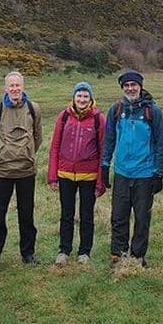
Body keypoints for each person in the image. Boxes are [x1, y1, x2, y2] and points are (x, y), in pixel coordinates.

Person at [101, 69, 163, 268]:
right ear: (122, 88)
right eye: (126, 85)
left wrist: (159, 172)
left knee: (142, 217)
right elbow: (109, 139)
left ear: (140, 86)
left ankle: (138, 256)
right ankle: (118, 254)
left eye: (134, 85)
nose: (130, 88)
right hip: (122, 172)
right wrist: (105, 165)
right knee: (119, 216)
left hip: (145, 174)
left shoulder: (152, 111)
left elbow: (162, 143)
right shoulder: (116, 109)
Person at [0, 71, 43, 275]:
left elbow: (38, 136)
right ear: (6, 88)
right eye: (11, 86)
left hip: (26, 170)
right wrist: (2, 154)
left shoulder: (34, 109)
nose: (15, 89)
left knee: (26, 214)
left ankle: (28, 253)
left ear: (23, 87)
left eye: (18, 85)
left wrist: (27, 154)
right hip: (2, 171)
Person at [47, 81, 106, 266]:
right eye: (79, 95)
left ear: (90, 98)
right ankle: (64, 251)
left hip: (88, 176)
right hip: (64, 174)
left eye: (85, 96)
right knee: (66, 214)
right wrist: (52, 174)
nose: (82, 99)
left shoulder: (98, 119)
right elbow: (55, 145)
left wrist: (101, 180)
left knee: (86, 215)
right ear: (74, 97)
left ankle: (84, 252)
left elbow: (104, 150)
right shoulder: (63, 117)